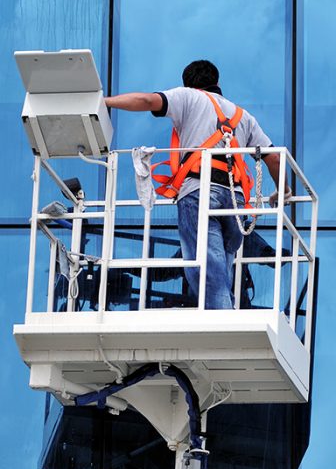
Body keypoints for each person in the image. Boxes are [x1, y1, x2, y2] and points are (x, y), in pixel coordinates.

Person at [104, 60, 287, 309]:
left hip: (200, 191)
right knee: (222, 266)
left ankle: (222, 320)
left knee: (206, 269)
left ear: (188, 84)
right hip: (235, 200)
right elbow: (274, 158)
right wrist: (283, 190)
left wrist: (104, 102)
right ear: (217, 83)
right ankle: (226, 310)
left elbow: (147, 101)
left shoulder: (187, 97)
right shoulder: (244, 117)